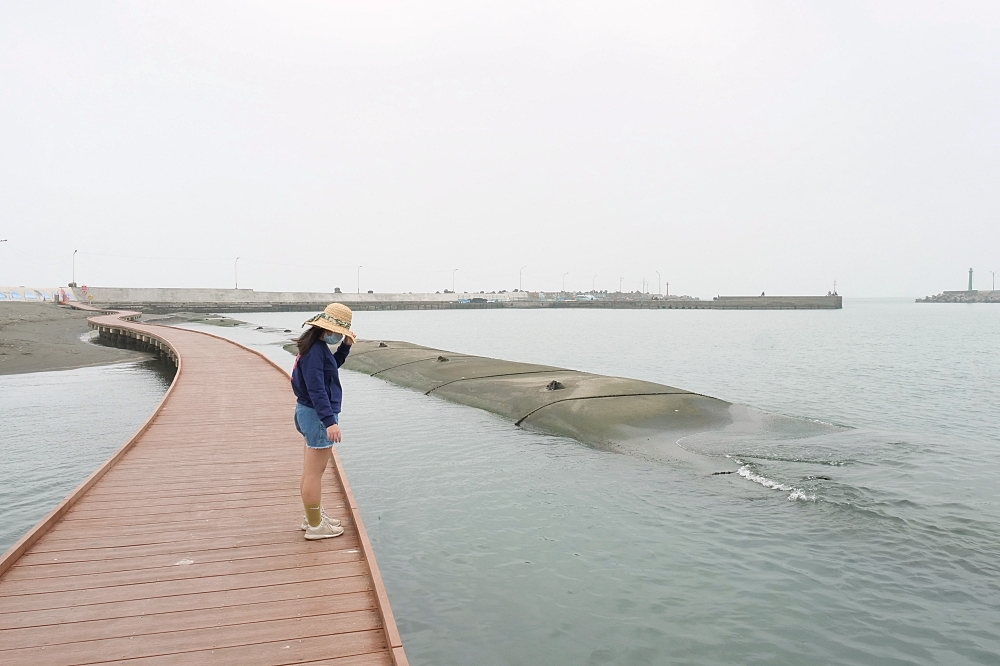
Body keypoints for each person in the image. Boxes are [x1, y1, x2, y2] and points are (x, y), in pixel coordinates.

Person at [290, 303, 356, 540]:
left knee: (310, 471)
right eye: (340, 333)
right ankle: (316, 526)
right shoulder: (316, 352)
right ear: (328, 330)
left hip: (308, 411)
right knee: (313, 474)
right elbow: (317, 389)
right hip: (317, 415)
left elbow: (330, 370)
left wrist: (345, 348)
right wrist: (329, 422)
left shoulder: (314, 347)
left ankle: (312, 517)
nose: (339, 336)